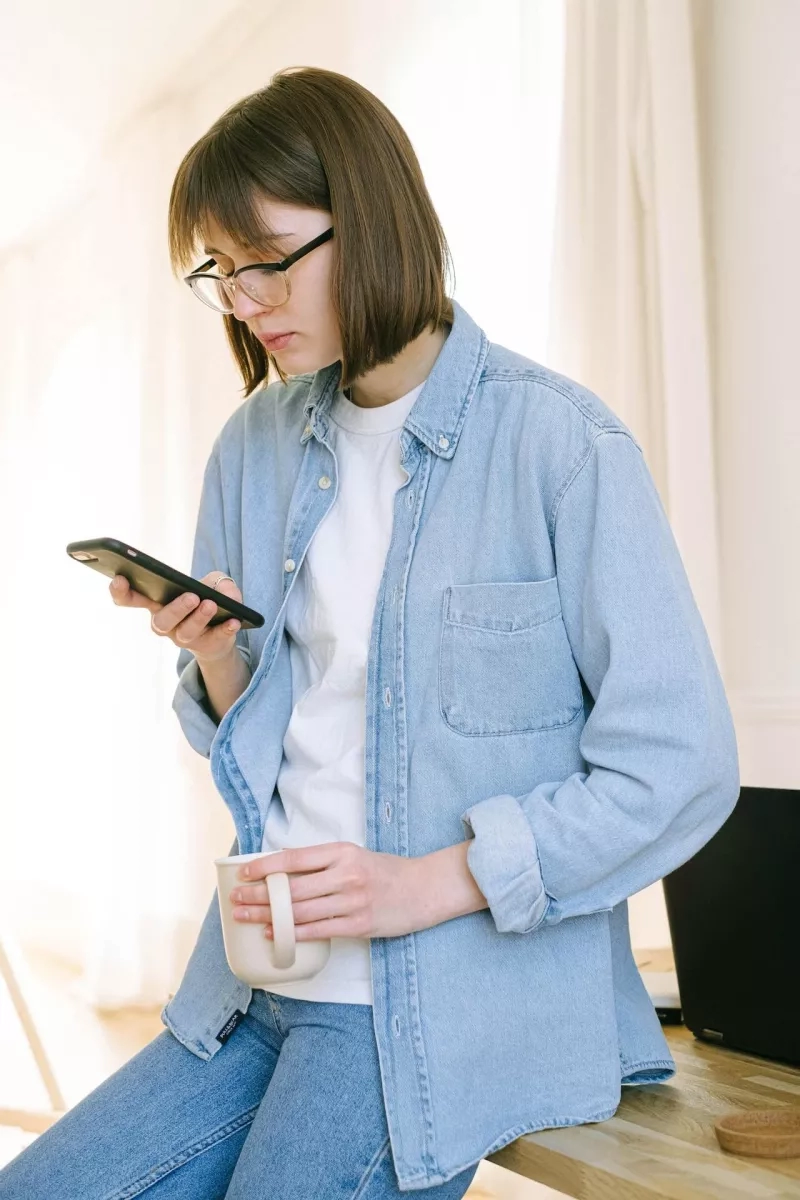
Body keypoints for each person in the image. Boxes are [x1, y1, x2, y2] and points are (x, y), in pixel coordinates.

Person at [1, 65, 740, 1198]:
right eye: (220, 273)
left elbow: (680, 765)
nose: (243, 300)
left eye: (266, 262)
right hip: (256, 984)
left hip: (434, 1004)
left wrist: (430, 882)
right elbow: (243, 737)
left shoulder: (560, 448)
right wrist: (213, 654)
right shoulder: (251, 444)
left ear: (373, 218)